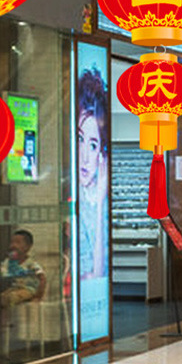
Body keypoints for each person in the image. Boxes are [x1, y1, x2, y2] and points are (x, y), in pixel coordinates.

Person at [77, 67, 108, 280]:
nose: (85, 157)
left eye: (93, 145)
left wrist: (98, 203)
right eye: (80, 139)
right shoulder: (74, 197)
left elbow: (96, 274)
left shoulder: (98, 201)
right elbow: (89, 276)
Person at [0, 230, 46, 309]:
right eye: (12, 242)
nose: (13, 245)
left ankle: (10, 317)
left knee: (11, 298)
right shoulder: (10, 261)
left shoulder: (31, 264)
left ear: (28, 247)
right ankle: (2, 319)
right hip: (14, 289)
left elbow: (42, 279)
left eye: (18, 242)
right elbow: (1, 269)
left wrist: (38, 296)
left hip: (28, 290)